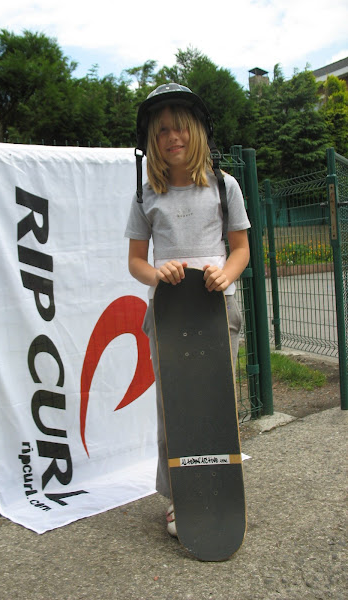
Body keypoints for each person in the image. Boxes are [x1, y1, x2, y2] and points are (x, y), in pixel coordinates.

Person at [124, 83, 251, 538]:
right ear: (151, 143)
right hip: (170, 315)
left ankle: (220, 489)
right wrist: (158, 275)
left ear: (197, 131)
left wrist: (226, 274)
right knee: (174, 406)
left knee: (215, 404)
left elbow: (240, 250)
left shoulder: (224, 185)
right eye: (161, 132)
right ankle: (181, 497)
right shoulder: (146, 196)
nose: (171, 137)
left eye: (179, 127)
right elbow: (137, 262)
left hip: (219, 312)